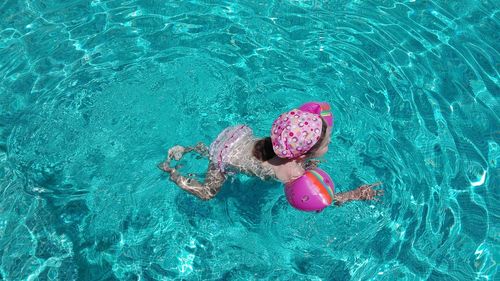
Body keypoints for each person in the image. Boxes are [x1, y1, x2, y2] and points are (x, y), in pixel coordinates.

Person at [158, 102, 383, 206]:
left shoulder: (285, 139)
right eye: (327, 142)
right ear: (304, 155)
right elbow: (318, 196)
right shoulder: (294, 173)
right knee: (208, 193)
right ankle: (174, 174)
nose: (329, 143)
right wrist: (353, 195)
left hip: (235, 137)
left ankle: (194, 149)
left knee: (214, 155)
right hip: (223, 159)